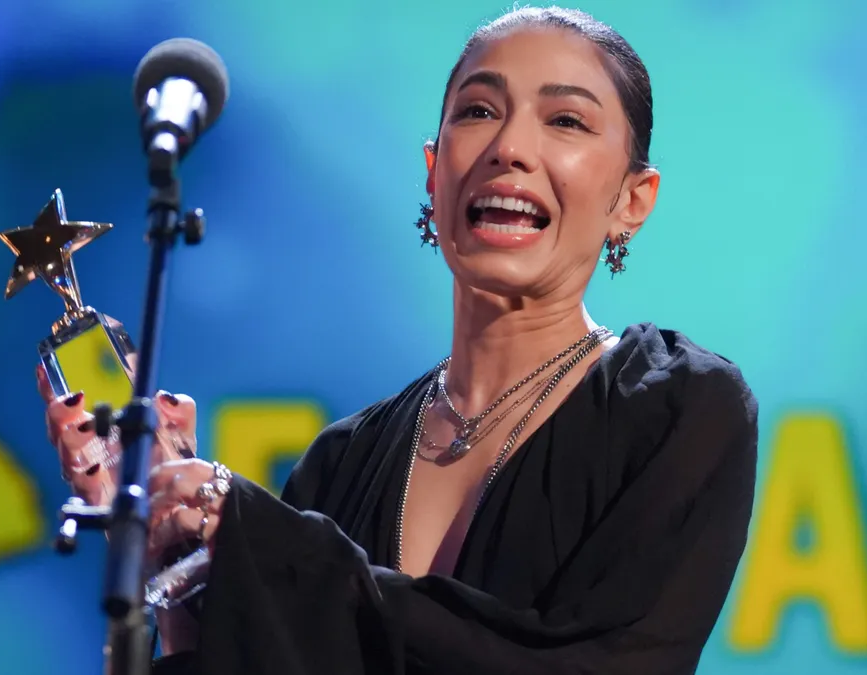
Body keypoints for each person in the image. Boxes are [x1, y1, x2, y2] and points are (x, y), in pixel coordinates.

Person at [41, 6, 759, 674]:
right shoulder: (340, 466)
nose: (510, 148)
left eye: (566, 120)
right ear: (434, 170)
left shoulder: (676, 409)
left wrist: (262, 536)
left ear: (632, 199)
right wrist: (173, 548)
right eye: (478, 111)